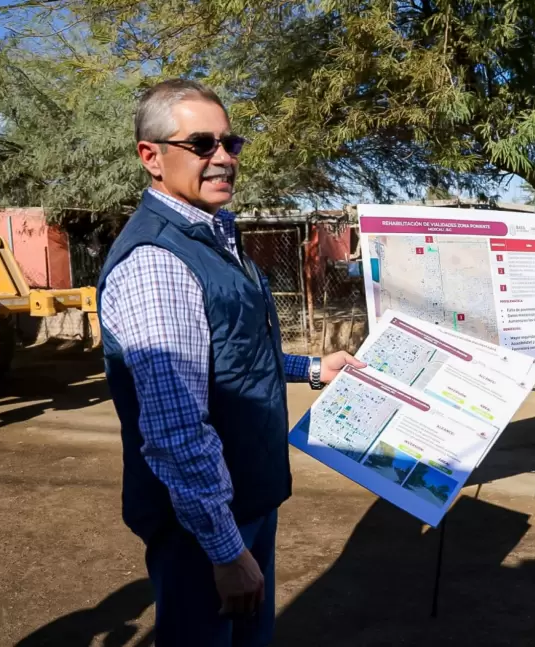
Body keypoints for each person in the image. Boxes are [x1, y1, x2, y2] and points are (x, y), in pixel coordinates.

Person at [97, 78, 365, 647]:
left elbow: (231, 351)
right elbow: (174, 427)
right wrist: (223, 548)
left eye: (230, 142)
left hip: (243, 496)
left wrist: (313, 371)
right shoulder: (157, 260)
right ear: (151, 156)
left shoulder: (215, 235)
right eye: (201, 144)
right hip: (202, 523)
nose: (223, 158)